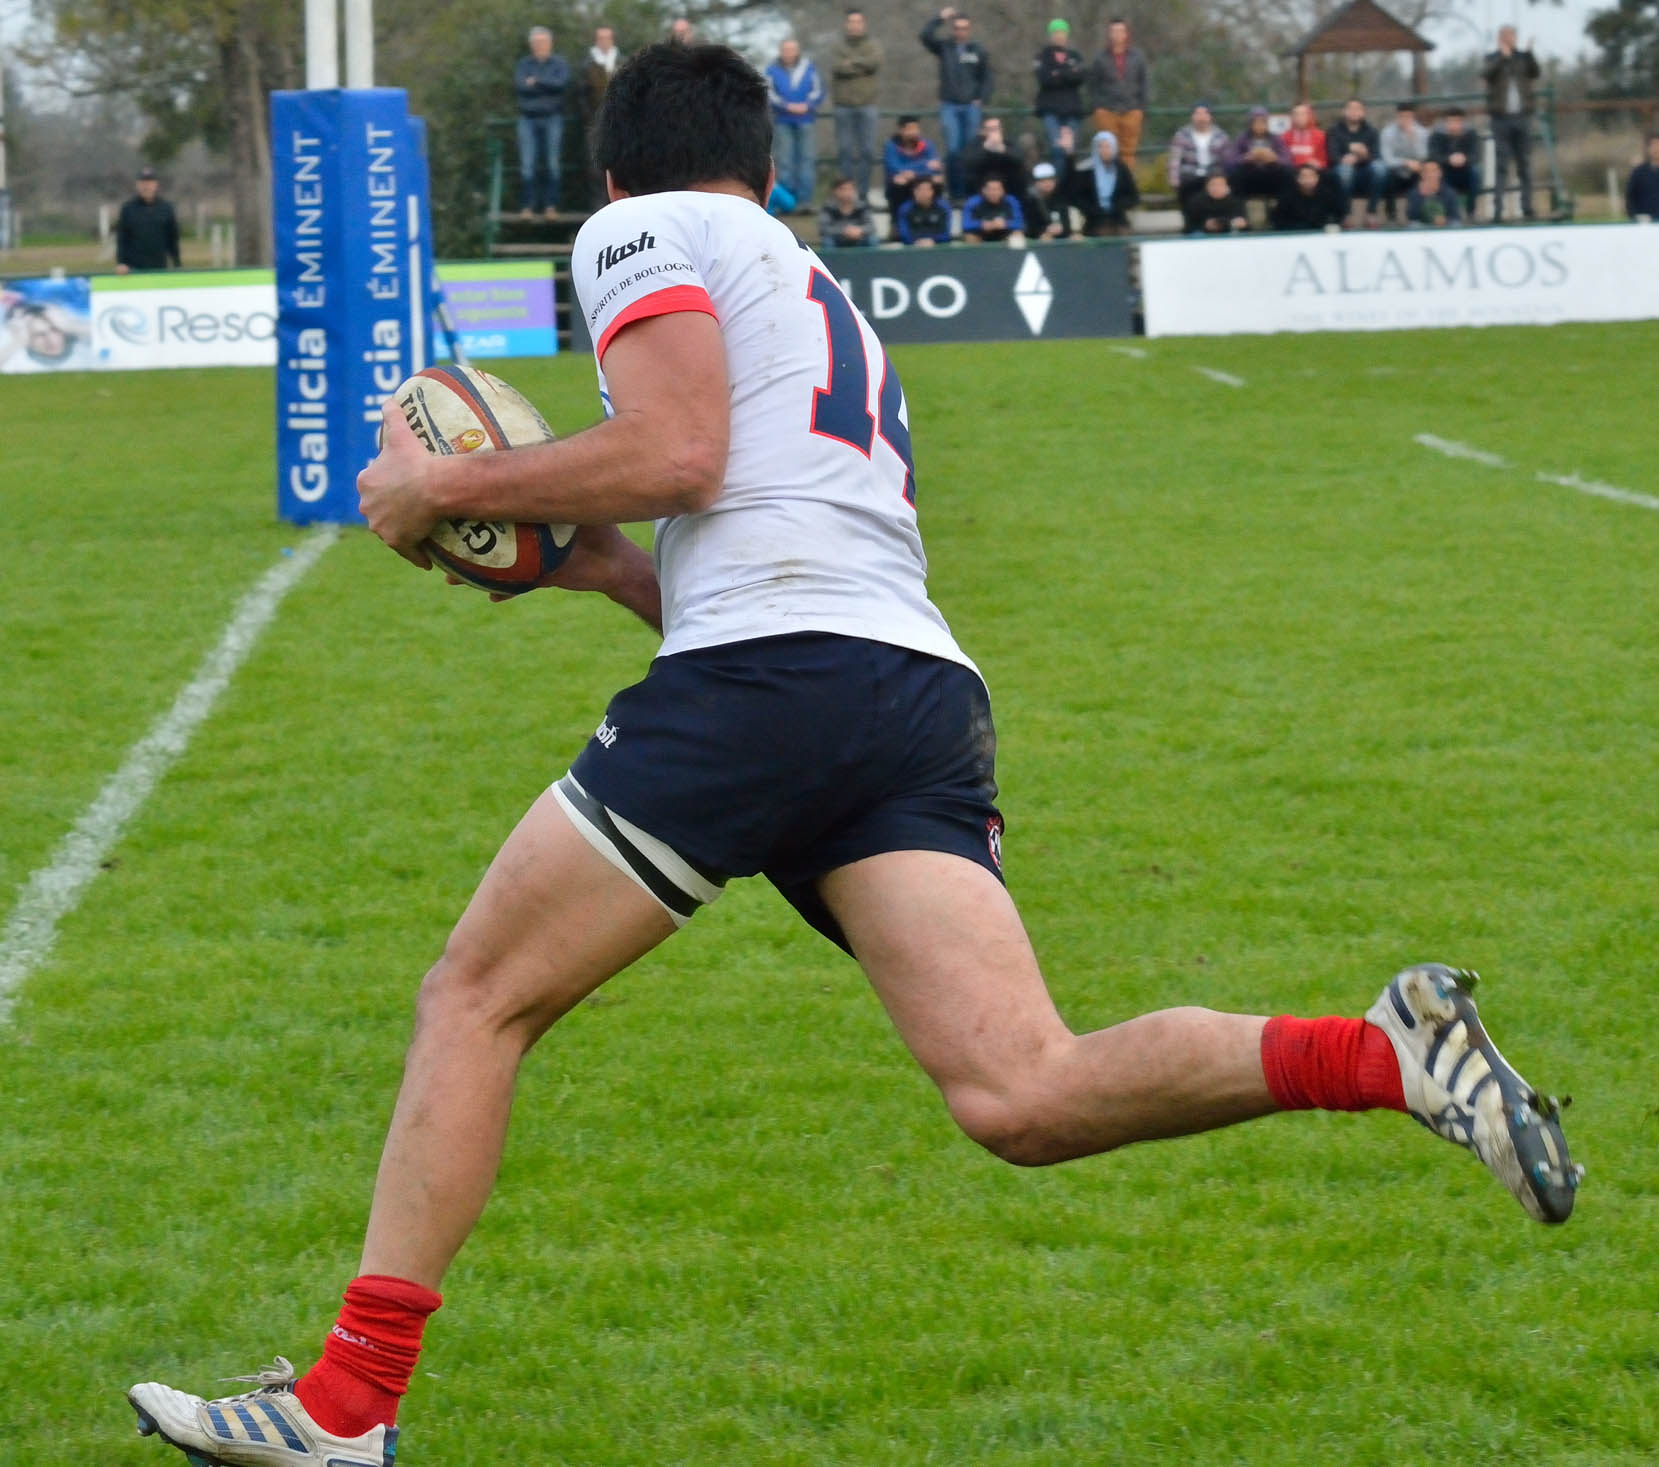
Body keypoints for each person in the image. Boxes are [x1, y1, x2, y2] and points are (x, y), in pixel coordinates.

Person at [124, 38, 1582, 1467]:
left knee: (477, 992)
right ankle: (1386, 1050)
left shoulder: (642, 227)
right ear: (771, 167)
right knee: (1024, 1088)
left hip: (779, 677)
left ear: (617, 170)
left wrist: (449, 479)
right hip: (907, 692)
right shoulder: (807, 285)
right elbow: (724, 529)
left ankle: (348, 1401)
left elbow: (682, 452)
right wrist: (592, 568)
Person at [919, 8, 992, 199]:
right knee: (953, 149)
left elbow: (987, 78)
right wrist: (939, 18)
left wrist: (981, 98)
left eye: (964, 28)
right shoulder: (945, 47)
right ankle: (955, 192)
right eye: (957, 28)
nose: (961, 32)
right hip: (949, 105)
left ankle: (970, 192)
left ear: (970, 29)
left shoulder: (978, 51)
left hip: (970, 106)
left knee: (970, 151)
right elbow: (925, 36)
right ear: (953, 29)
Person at [1482, 26, 1539, 219]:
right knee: (1502, 165)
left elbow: (1535, 72)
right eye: (1506, 37)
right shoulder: (1492, 58)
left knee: (1524, 164)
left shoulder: (1523, 57)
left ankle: (1527, 207)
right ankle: (1498, 209)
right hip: (1501, 119)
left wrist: (1530, 54)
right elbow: (1486, 74)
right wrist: (1502, 58)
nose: (1509, 40)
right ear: (1500, 38)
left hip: (1522, 117)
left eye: (1512, 36)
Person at [514, 26, 570, 218]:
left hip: (552, 118)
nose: (540, 46)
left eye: (543, 42)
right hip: (527, 119)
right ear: (531, 45)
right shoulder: (523, 64)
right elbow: (520, 86)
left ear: (550, 43)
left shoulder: (558, 64)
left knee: (552, 163)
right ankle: (528, 206)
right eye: (536, 43)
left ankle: (551, 206)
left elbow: (561, 85)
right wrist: (546, 83)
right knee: (527, 164)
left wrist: (536, 82)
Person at [831, 9, 883, 204]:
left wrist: (851, 62)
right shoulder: (838, 45)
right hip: (843, 105)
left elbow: (874, 63)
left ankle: (862, 192)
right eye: (851, 22)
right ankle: (845, 193)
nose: (854, 25)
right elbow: (837, 67)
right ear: (846, 24)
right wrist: (861, 64)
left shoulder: (873, 45)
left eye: (858, 22)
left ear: (864, 24)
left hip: (867, 105)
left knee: (868, 150)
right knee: (844, 151)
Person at [766, 38, 824, 212]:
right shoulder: (772, 69)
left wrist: (807, 105)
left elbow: (818, 90)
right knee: (785, 160)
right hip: (783, 120)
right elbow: (769, 91)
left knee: (806, 160)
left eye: (792, 49)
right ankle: (788, 201)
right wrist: (786, 106)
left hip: (805, 119)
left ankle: (805, 201)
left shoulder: (809, 68)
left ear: (797, 51)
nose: (788, 53)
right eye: (785, 49)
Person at [1088, 18, 1148, 171]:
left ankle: (1125, 185)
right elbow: (1093, 84)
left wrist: (1141, 109)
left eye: (1121, 31)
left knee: (1128, 152)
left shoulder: (1137, 57)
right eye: (1114, 31)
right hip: (1107, 110)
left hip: (1132, 110)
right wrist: (1098, 108)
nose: (1117, 35)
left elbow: (1144, 82)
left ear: (1126, 34)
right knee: (1107, 151)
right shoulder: (1100, 58)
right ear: (1109, 34)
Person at [1168, 103, 1233, 227]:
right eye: (1197, 114)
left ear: (1210, 116)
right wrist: (1174, 181)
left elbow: (1227, 160)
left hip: (1213, 174)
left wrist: (1226, 180)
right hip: (1190, 174)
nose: (1201, 117)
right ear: (1192, 116)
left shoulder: (1221, 136)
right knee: (1186, 189)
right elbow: (1175, 160)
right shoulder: (1181, 135)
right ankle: (1191, 227)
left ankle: (1219, 224)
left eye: (1204, 114)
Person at [1033, 19, 1085, 168]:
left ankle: (1069, 185)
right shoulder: (1041, 56)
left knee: (1070, 149)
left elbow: (1080, 78)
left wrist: (1057, 73)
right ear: (1050, 35)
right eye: (1055, 32)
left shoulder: (1075, 56)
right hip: (1050, 110)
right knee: (1056, 148)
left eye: (1062, 32)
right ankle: (1058, 185)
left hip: (1072, 110)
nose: (1059, 35)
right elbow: (1044, 79)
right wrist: (1067, 73)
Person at [1065, 129, 1137, 236]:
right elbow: (1076, 196)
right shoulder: (1086, 169)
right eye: (1100, 147)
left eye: (1108, 147)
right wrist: (1092, 209)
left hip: (1118, 219)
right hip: (1093, 221)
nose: (1104, 150)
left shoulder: (1121, 169)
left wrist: (1116, 206)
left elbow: (1133, 197)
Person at [1327, 99, 1385, 225]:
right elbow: (1332, 155)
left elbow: (1377, 156)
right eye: (1350, 108)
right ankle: (1346, 214)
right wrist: (1346, 156)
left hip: (1365, 172)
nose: (1354, 112)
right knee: (1345, 170)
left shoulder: (1372, 131)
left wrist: (1364, 156)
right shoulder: (1334, 131)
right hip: (1343, 172)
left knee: (1380, 169)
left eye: (1358, 109)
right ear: (1344, 111)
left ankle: (1371, 212)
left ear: (1363, 112)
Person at [883, 115, 945, 232]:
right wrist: (924, 165)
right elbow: (895, 168)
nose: (914, 132)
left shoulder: (927, 144)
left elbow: (935, 166)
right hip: (902, 183)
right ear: (901, 130)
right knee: (898, 182)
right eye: (910, 129)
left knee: (937, 181)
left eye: (916, 129)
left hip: (920, 180)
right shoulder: (891, 146)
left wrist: (914, 172)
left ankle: (936, 221)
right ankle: (896, 225)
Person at [115, 167, 180, 274]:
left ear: (156, 185)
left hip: (159, 268)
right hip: (134, 270)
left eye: (149, 183)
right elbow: (122, 239)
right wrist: (121, 263)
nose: (146, 187)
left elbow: (172, 238)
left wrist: (177, 263)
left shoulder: (166, 208)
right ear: (137, 185)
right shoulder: (128, 209)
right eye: (143, 183)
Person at [1228, 107, 1292, 205]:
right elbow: (1231, 159)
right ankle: (1239, 209)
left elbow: (1287, 159)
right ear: (1250, 124)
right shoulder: (1242, 138)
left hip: (1270, 175)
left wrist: (1275, 159)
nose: (1259, 126)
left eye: (1263, 123)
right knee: (1235, 175)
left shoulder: (1275, 138)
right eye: (1256, 123)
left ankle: (1281, 208)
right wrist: (1246, 158)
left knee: (1287, 173)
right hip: (1250, 176)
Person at [960, 115, 1029, 203]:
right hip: (982, 182)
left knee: (1021, 172)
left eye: (996, 128)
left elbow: (1020, 157)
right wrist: (985, 149)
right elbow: (967, 162)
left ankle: (1019, 204)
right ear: (983, 131)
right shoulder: (975, 144)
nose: (994, 132)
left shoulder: (1007, 142)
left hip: (1007, 182)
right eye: (990, 129)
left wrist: (1004, 150)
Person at [1380, 102, 1430, 222]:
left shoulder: (1422, 132)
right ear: (1397, 117)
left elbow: (1424, 156)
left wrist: (1414, 140)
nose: (1405, 120)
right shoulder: (1387, 132)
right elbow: (1387, 159)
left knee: (1424, 174)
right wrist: (1406, 162)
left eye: (1408, 117)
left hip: (1415, 171)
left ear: (1413, 117)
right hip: (1396, 172)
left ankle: (1415, 216)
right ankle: (1391, 216)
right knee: (1386, 175)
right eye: (1402, 117)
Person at [1428, 106, 1479, 215]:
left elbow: (1475, 155)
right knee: (1437, 173)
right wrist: (1448, 159)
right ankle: (1448, 213)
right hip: (1446, 170)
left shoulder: (1471, 134)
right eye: (1450, 121)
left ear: (1463, 122)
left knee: (1476, 172)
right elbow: (1433, 156)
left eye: (1457, 121)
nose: (1454, 125)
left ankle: (1471, 212)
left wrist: (1464, 159)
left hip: (1466, 170)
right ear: (1445, 122)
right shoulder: (1437, 135)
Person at [1272, 161, 1345, 231]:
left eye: (1311, 176)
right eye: (1304, 176)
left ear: (1317, 178)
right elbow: (1278, 220)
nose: (1308, 180)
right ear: (1298, 178)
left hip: (1320, 233)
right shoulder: (1287, 197)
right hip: (1295, 234)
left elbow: (1337, 214)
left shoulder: (1327, 195)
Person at [961, 175, 1025, 243]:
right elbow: (965, 225)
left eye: (997, 189)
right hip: (981, 237)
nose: (994, 193)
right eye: (990, 189)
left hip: (1004, 236)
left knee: (1018, 235)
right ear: (983, 190)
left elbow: (1020, 223)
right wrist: (982, 225)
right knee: (969, 237)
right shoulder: (973, 202)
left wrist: (1006, 224)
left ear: (1003, 190)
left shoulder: (1011, 201)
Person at [819, 175, 877, 247]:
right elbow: (824, 229)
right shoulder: (828, 208)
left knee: (872, 239)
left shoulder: (863, 207)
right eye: (843, 189)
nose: (847, 193)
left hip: (858, 238)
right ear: (835, 191)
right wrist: (844, 231)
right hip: (838, 239)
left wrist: (859, 230)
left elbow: (871, 226)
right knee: (827, 241)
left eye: (850, 189)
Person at [1185, 168, 1248, 234]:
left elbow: (1244, 223)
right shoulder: (1196, 202)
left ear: (1227, 187)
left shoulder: (1236, 201)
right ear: (1206, 187)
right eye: (1213, 185)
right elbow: (1190, 226)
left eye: (1220, 185)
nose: (1216, 188)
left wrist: (1237, 223)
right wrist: (1205, 225)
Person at [1021, 161, 1074, 239]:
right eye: (1043, 180)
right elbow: (1029, 229)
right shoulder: (1029, 202)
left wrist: (1062, 229)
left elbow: (1067, 225)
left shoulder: (1061, 200)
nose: (1047, 183)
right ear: (1036, 183)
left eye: (1050, 179)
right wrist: (1045, 231)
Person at [1405, 159, 1462, 228]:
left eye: (1434, 171)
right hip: (1423, 228)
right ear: (1422, 174)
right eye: (1427, 171)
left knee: (1456, 225)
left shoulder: (1449, 193)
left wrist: (1445, 220)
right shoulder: (1415, 193)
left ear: (1440, 173)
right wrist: (1421, 196)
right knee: (1414, 226)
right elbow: (1411, 217)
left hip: (1445, 227)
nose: (1431, 174)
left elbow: (1455, 216)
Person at [896, 174, 952, 244]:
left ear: (932, 191)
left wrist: (933, 240)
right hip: (913, 247)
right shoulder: (905, 208)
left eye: (927, 189)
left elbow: (946, 233)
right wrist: (917, 241)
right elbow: (904, 234)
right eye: (920, 189)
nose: (923, 193)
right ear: (914, 191)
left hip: (938, 246)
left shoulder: (943, 206)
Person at [583, 25, 619, 116]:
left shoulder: (622, 61)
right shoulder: (586, 64)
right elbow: (582, 94)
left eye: (607, 38)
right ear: (596, 41)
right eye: (601, 38)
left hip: (619, 114)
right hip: (595, 114)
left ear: (612, 40)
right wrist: (588, 115)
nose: (604, 41)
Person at [1283, 102, 1329, 173]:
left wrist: (1318, 164)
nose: (1299, 117)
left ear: (1309, 116)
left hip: (1314, 173)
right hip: (1292, 173)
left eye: (1303, 114)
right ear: (1292, 117)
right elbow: (1284, 160)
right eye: (1296, 114)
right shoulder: (1285, 137)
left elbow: (1324, 161)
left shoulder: (1321, 136)